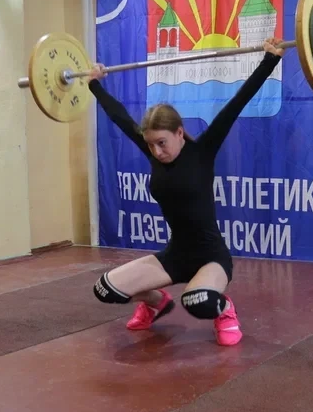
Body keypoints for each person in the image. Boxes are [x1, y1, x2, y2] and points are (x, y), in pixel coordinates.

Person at [89, 37, 286, 346]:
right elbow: (119, 116)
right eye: (150, 144)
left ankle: (225, 309)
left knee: (197, 302)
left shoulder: (203, 151)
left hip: (211, 257)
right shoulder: (154, 152)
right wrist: (94, 84)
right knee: (105, 289)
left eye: (162, 143)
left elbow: (238, 102)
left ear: (179, 133)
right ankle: (157, 303)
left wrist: (270, 59)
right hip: (175, 256)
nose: (156, 151)